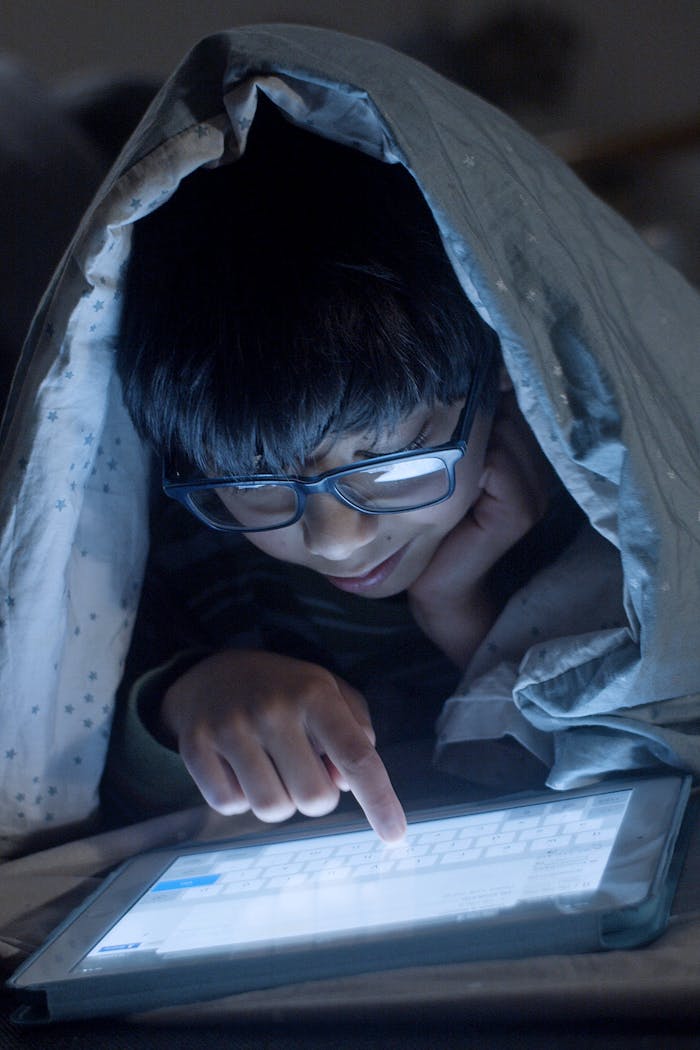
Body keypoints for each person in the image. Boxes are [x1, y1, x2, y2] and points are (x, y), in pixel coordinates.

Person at [108, 99, 581, 841]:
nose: (334, 538)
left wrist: (462, 616)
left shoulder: (596, 516)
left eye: (391, 461)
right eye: (257, 479)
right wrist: (187, 699)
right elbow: (80, 780)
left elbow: (620, 761)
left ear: (503, 372)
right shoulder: (194, 551)